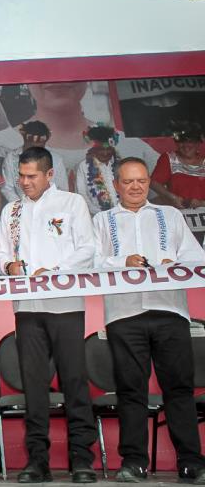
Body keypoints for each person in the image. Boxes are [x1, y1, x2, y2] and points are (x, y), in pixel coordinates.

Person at [92, 157, 205, 484]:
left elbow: (197, 258)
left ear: (148, 182)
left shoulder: (169, 215)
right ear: (116, 186)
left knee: (179, 387)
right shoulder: (102, 220)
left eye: (141, 180)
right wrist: (121, 262)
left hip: (170, 311)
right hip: (124, 313)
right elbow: (92, 263)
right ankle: (134, 462)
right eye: (128, 181)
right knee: (130, 389)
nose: (136, 187)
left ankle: (191, 462)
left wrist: (174, 260)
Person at [0, 147, 98, 484]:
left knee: (74, 382)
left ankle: (82, 459)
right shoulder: (13, 210)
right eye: (21, 175)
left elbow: (88, 249)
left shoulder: (72, 203)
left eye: (32, 176)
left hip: (65, 305)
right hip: (27, 309)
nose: (25, 182)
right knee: (33, 386)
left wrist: (57, 271)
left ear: (50, 174)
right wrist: (8, 265)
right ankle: (38, 461)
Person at [0, 83, 159, 181]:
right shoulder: (1, 145)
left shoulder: (132, 147)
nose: (57, 80)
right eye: (44, 69)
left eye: (66, 69)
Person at [0, 121, 69, 202]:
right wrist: (22, 207)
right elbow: (7, 188)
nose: (35, 148)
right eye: (31, 145)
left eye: (40, 146)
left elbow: (63, 190)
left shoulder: (56, 160)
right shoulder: (11, 158)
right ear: (25, 138)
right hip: (21, 208)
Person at [151, 122, 205, 209]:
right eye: (181, 141)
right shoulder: (169, 158)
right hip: (177, 213)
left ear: (198, 143)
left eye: (190, 141)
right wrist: (172, 197)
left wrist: (201, 203)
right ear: (176, 142)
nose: (186, 146)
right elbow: (153, 182)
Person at [75, 125, 121, 215]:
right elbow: (81, 195)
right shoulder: (84, 166)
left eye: (108, 149)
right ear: (94, 149)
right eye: (101, 149)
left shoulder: (120, 165)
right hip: (96, 217)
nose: (105, 153)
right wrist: (100, 214)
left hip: (122, 215)